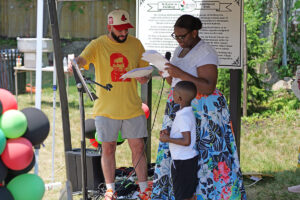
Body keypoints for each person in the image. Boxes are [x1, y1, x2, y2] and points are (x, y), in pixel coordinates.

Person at [151, 14, 247, 200]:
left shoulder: (206, 52)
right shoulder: (179, 50)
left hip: (204, 112)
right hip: (180, 106)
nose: (178, 40)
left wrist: (180, 72)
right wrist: (166, 72)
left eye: (182, 36)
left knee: (205, 153)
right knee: (180, 153)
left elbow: (208, 86)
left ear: (194, 33)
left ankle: (210, 194)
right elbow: (175, 81)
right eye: (176, 36)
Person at [68, 9, 151, 200]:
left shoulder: (136, 44)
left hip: (132, 107)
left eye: (126, 29)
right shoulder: (98, 44)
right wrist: (75, 63)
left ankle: (144, 187)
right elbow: (83, 59)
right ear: (109, 27)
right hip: (106, 109)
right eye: (119, 29)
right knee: (108, 148)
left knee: (138, 147)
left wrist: (143, 77)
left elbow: (144, 74)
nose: (123, 33)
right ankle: (110, 189)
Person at [159, 81, 198, 200]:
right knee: (187, 192)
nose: (172, 94)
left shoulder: (183, 116)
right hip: (187, 160)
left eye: (174, 93)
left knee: (182, 195)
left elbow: (186, 141)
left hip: (183, 161)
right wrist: (170, 134)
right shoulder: (186, 112)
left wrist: (168, 139)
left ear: (180, 98)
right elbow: (184, 134)